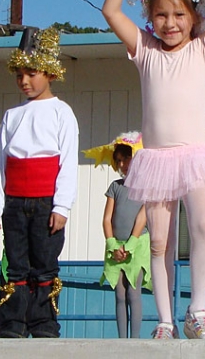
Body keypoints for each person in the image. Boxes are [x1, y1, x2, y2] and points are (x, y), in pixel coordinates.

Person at [102, 0, 205, 339]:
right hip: (157, 158)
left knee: (203, 227)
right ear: (150, 18)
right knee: (158, 241)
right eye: (160, 14)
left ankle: (198, 310)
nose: (170, 22)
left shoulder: (204, 48)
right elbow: (110, 11)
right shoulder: (143, 49)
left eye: (179, 14)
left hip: (194, 155)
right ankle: (164, 320)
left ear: (194, 16)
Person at [0, 27, 78, 338]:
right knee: (17, 266)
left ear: (50, 73)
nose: (24, 81)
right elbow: (1, 163)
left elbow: (67, 163)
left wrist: (62, 205)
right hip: (14, 202)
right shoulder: (11, 115)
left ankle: (43, 326)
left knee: (44, 265)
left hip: (45, 202)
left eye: (32, 73)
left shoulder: (62, 113)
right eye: (19, 75)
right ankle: (12, 325)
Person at [83, 132, 152, 339]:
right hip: (116, 248)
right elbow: (107, 219)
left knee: (133, 291)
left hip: (137, 246)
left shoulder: (145, 187)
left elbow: (143, 216)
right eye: (119, 161)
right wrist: (112, 244)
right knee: (119, 293)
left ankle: (135, 340)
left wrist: (131, 244)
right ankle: (122, 340)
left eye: (126, 159)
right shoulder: (115, 187)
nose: (122, 164)